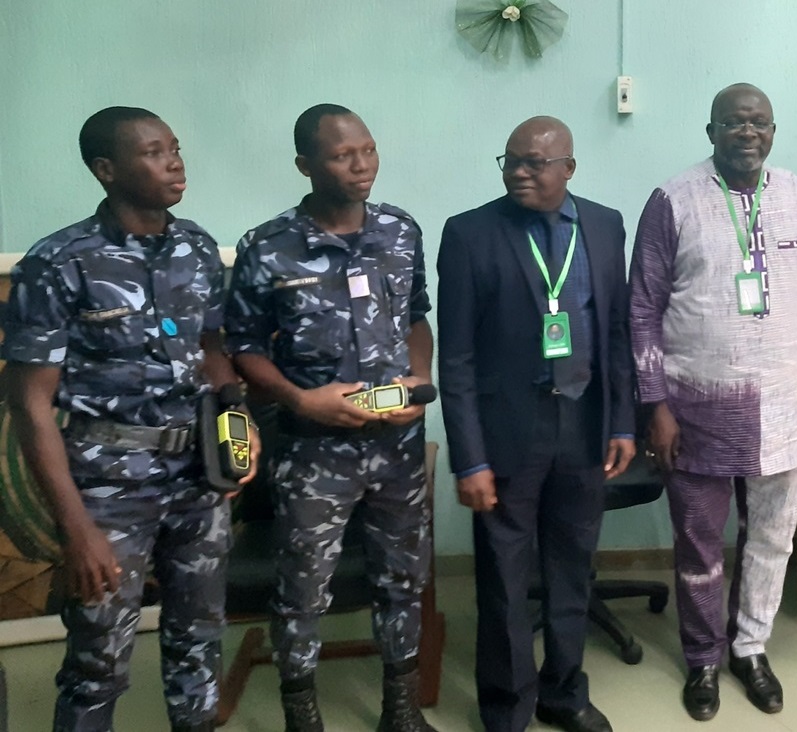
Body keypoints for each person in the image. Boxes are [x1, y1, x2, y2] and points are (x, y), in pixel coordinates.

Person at [3, 106, 252, 732]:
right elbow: (32, 407)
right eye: (152, 152)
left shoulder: (196, 247)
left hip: (198, 481)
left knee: (199, 647)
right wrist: (77, 529)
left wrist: (236, 433)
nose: (174, 161)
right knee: (98, 664)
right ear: (105, 170)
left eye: (174, 147)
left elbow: (213, 351)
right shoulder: (60, 263)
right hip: (109, 491)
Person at [224, 104, 437, 731]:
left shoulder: (400, 230)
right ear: (305, 165)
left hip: (396, 445)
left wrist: (418, 379)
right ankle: (303, 716)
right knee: (302, 591)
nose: (362, 165)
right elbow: (243, 349)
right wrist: (297, 399)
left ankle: (400, 711)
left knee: (403, 579)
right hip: (313, 450)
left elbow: (416, 317)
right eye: (344, 155)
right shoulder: (268, 246)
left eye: (368, 150)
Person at [630, 83, 797, 721]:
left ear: (774, 131)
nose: (749, 132)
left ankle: (751, 648)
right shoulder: (672, 200)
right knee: (699, 542)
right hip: (695, 408)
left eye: (760, 123)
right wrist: (655, 402)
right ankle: (703, 660)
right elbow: (642, 311)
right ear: (710, 130)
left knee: (772, 537)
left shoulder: (796, 193)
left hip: (779, 403)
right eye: (735, 123)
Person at [438, 116, 635, 732]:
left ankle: (564, 692)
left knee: (573, 566)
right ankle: (507, 706)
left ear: (568, 169)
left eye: (535, 163)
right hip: (507, 433)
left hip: (585, 423)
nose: (519, 172)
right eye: (510, 160)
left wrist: (623, 423)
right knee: (504, 576)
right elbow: (458, 357)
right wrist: (468, 458)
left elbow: (618, 335)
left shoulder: (604, 226)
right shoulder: (470, 233)